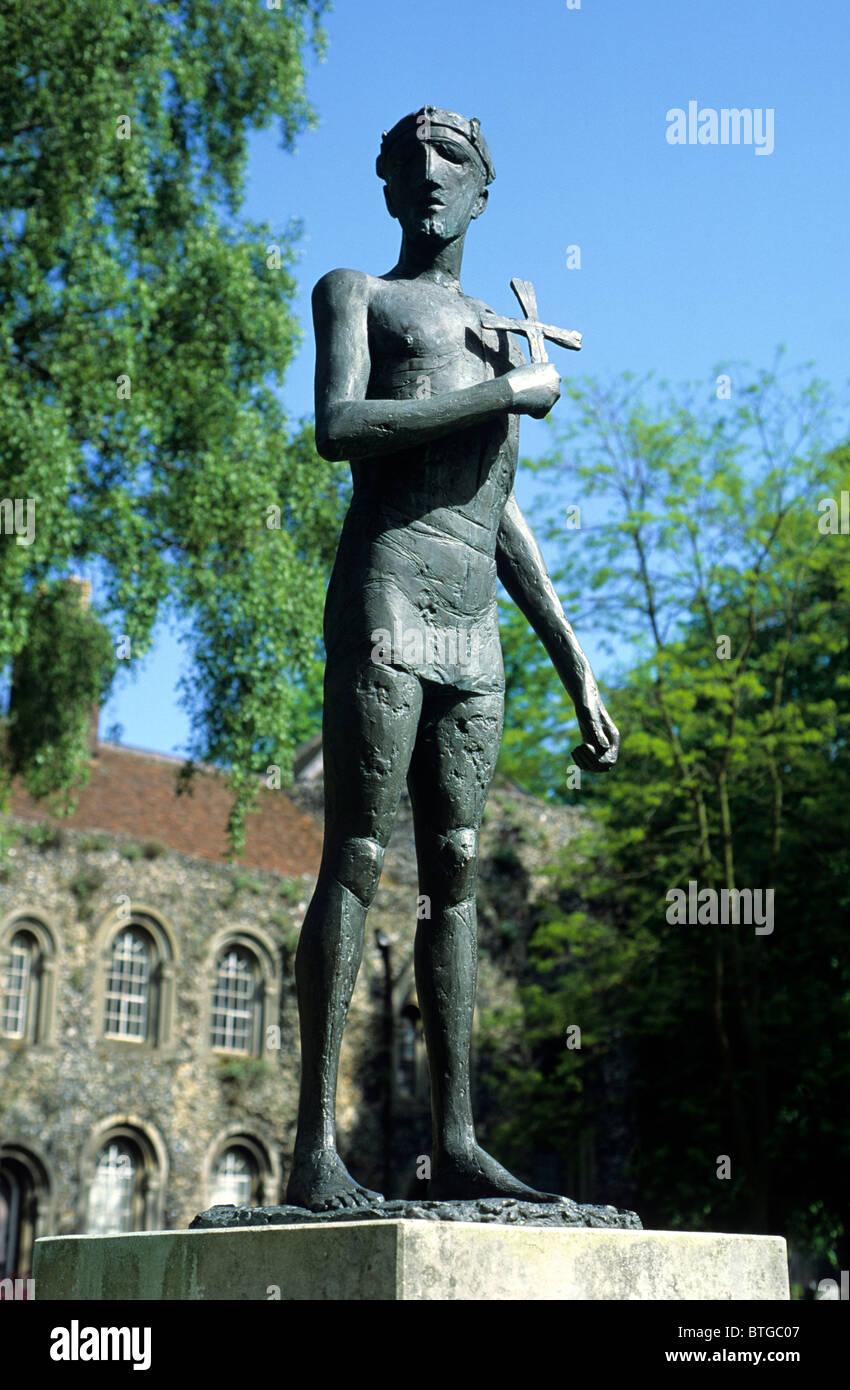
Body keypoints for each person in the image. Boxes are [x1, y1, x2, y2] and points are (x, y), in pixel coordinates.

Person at [286, 107, 619, 1212]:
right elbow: (340, 425)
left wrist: (574, 660)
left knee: (459, 877)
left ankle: (460, 1138)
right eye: (411, 160)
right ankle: (312, 1152)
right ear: (386, 185)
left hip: (473, 626)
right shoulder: (358, 293)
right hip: (387, 593)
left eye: (456, 159)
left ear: (485, 189)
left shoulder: (496, 324)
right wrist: (503, 394)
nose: (431, 175)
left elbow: (502, 510)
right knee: (359, 852)